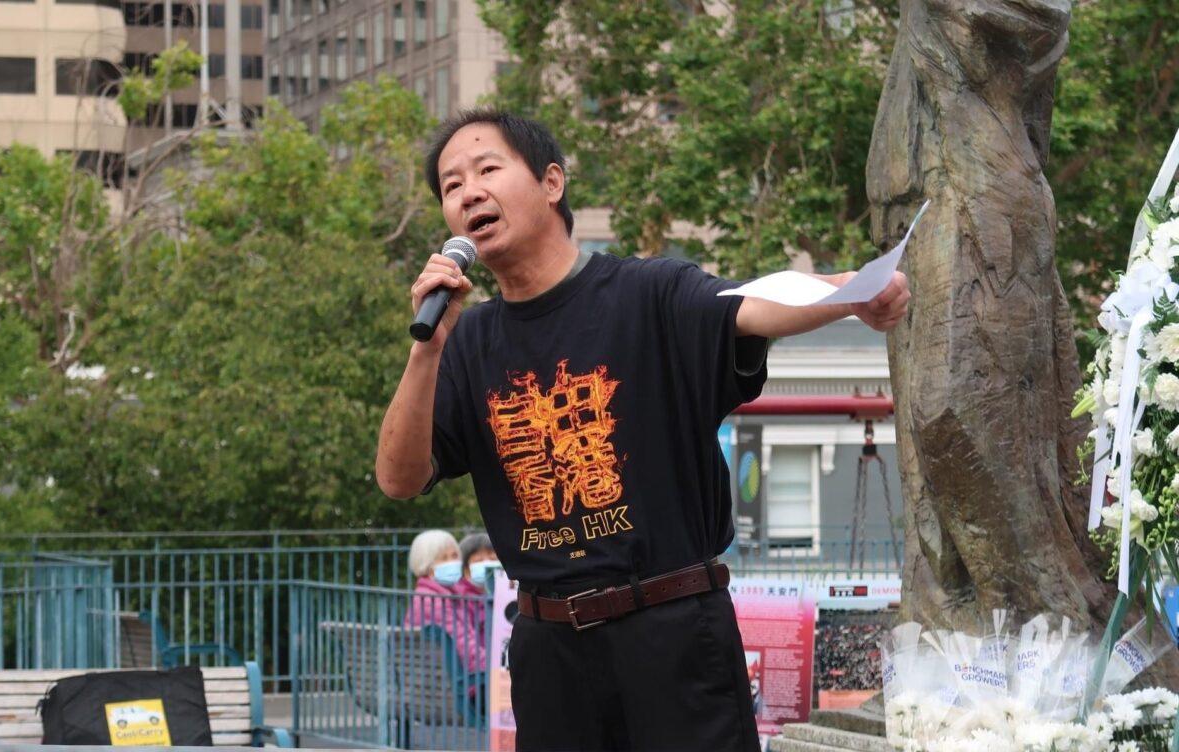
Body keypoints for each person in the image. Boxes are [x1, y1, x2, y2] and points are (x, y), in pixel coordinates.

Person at [376, 110, 910, 751]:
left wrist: (854, 290)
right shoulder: (466, 344)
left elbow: (754, 303)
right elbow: (400, 478)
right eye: (450, 185)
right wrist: (426, 350)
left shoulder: (646, 294)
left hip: (673, 639)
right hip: (550, 653)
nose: (468, 192)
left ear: (551, 182)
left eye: (487, 169)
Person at [404, 529, 486, 674]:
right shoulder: (432, 601)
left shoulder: (446, 594)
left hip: (446, 677)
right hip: (456, 681)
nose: (453, 562)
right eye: (444, 558)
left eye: (455, 556)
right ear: (428, 565)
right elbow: (466, 647)